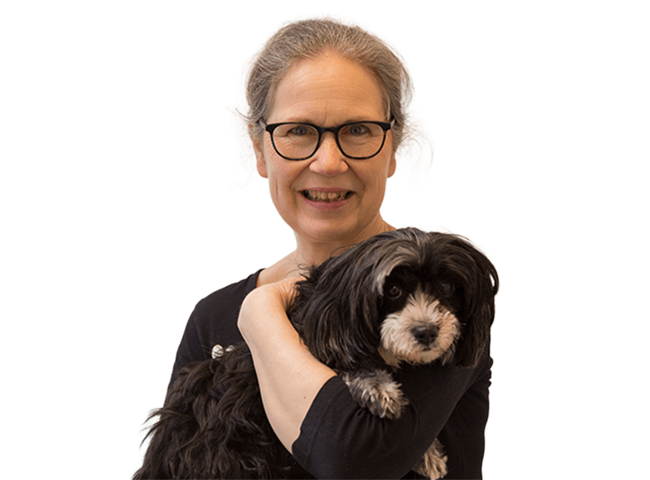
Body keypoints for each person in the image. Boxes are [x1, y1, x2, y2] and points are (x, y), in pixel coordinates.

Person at [168, 14, 492, 480]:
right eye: (298, 130)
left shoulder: (449, 290)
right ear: (260, 151)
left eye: (358, 130)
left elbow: (353, 459)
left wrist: (262, 318)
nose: (328, 162)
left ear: (393, 149)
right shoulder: (213, 317)